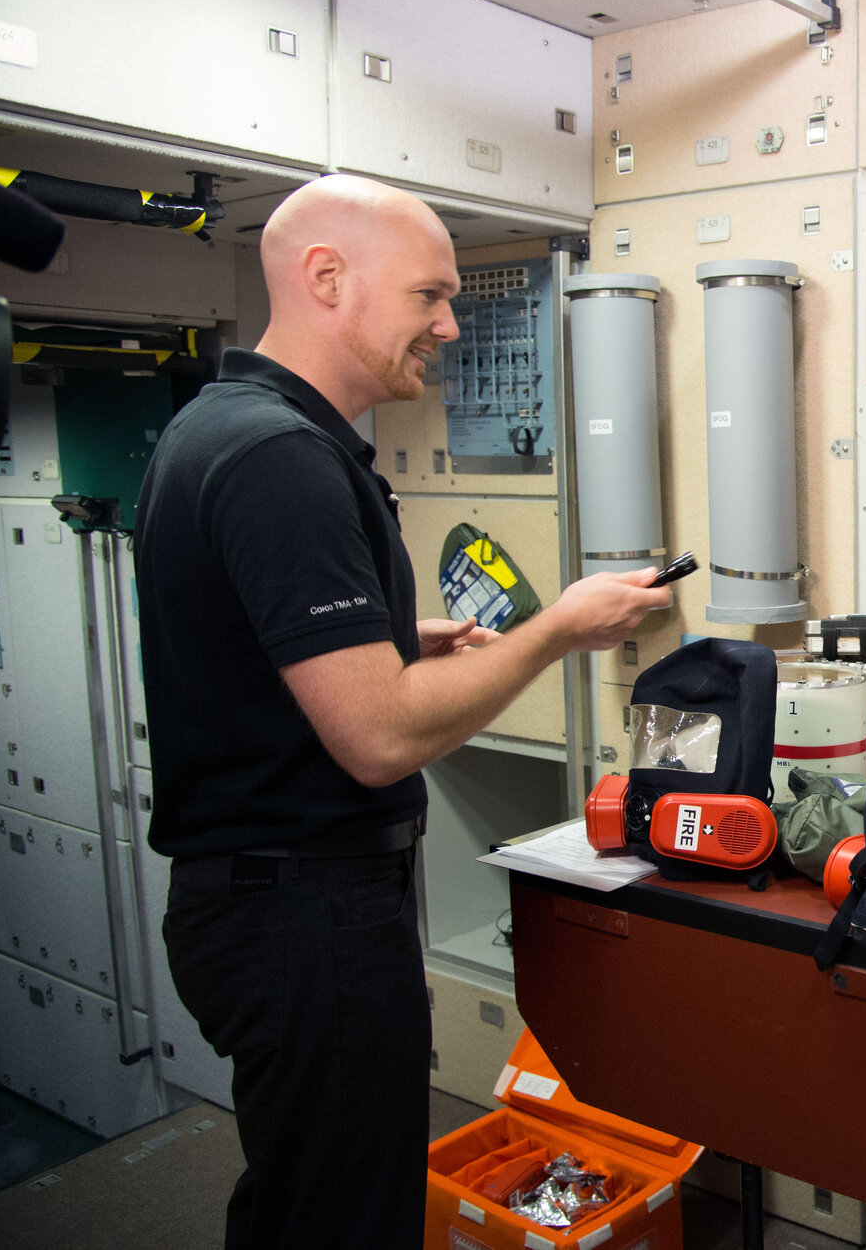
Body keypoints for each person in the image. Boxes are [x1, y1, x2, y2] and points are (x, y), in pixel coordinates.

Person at [135, 174, 672, 1248]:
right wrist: (558, 627)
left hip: (270, 905)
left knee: (306, 1198)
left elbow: (247, 653)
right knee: (342, 1219)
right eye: (430, 293)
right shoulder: (280, 458)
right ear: (326, 280)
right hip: (302, 916)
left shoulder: (226, 426)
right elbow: (379, 737)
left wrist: (378, 646)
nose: (450, 323)